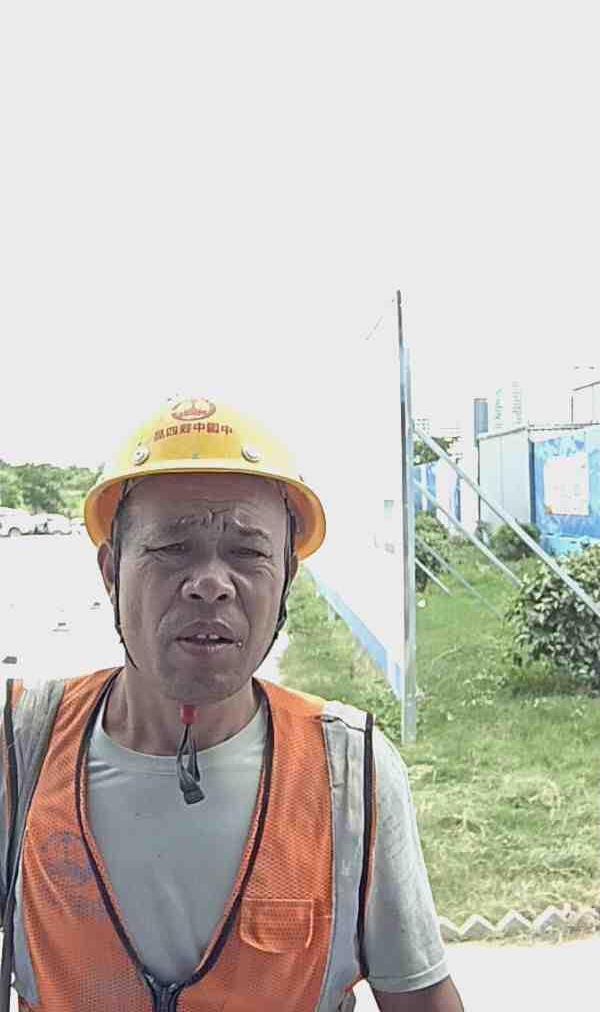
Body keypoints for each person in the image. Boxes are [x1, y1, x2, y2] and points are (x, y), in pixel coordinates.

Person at [0, 397, 463, 1012]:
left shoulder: (350, 773)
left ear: (287, 577)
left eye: (247, 553)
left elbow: (421, 998)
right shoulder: (22, 747)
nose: (211, 584)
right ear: (111, 571)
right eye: (173, 547)